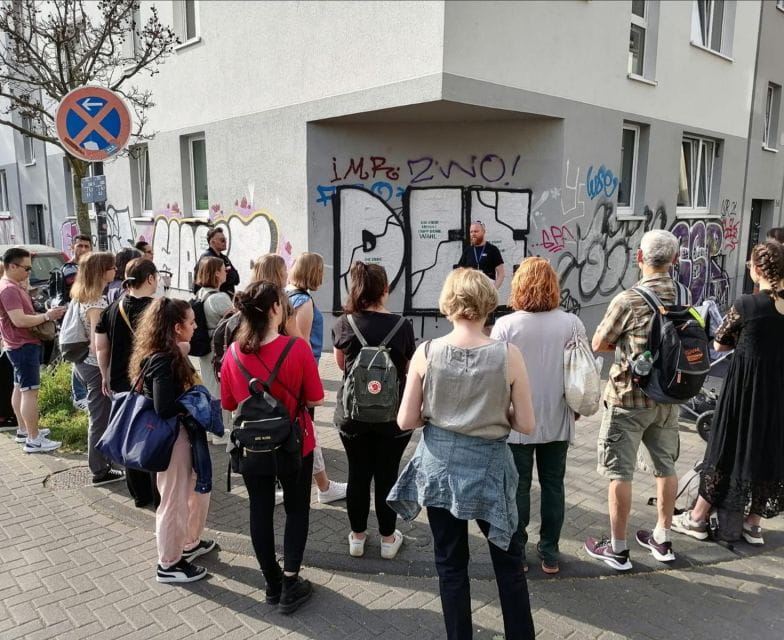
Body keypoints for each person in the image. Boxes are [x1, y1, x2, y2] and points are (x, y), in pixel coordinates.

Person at [389, 268, 536, 640]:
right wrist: (497, 413)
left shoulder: (426, 352)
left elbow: (405, 420)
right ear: (488, 303)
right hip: (490, 468)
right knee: (508, 561)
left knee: (451, 565)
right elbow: (527, 424)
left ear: (449, 303)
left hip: (440, 468)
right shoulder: (509, 355)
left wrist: (436, 414)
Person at [585, 230, 688, 571]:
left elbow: (599, 343)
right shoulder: (686, 294)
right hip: (669, 398)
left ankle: (617, 549)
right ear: (674, 260)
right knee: (666, 466)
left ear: (639, 258)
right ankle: (662, 537)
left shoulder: (628, 300)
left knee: (620, 473)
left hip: (629, 398)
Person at [220, 281, 324, 614]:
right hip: (295, 443)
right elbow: (315, 398)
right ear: (276, 309)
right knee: (297, 510)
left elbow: (229, 401)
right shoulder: (297, 349)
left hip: (253, 448)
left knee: (259, 510)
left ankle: (271, 581)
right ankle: (291, 581)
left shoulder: (232, 353)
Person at [673, 241, 784, 545]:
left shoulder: (748, 304)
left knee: (725, 448)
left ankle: (696, 518)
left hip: (745, 389)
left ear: (758, 269)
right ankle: (753, 524)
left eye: (750, 264)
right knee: (765, 451)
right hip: (777, 391)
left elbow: (720, 342)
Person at [491, 256, 585, 575]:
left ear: (519, 286)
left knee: (518, 487)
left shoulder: (506, 325)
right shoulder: (571, 323)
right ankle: (550, 553)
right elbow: (582, 372)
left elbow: (494, 375)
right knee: (553, 486)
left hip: (517, 419)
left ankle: (517, 553)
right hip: (559, 417)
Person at [332, 262, 415, 559]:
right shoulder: (402, 326)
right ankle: (388, 539)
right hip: (393, 417)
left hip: (353, 417)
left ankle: (357, 537)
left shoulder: (344, 323)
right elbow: (407, 367)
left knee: (357, 474)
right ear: (385, 289)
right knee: (387, 475)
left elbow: (342, 366)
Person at [129, 298, 215, 583]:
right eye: (191, 322)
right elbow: (164, 406)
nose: (196, 326)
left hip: (178, 437)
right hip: (173, 438)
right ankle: (169, 564)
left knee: (183, 495)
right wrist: (192, 405)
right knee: (174, 501)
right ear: (177, 328)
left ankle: (186, 545)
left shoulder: (166, 353)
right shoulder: (164, 359)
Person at [96, 257, 161, 507]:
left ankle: (139, 494)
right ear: (150, 278)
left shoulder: (112, 308)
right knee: (154, 436)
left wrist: (105, 374)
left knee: (130, 436)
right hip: (151, 381)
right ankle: (158, 493)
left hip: (122, 383)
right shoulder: (158, 308)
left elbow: (101, 347)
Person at [287, 252, 347, 504]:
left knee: (302, 430)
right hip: (301, 375)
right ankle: (323, 486)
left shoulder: (288, 295)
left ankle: (319, 484)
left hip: (290, 375)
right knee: (307, 431)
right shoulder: (303, 301)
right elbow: (299, 342)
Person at [0, 248, 65, 452]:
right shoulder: (9, 289)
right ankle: (34, 439)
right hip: (23, 344)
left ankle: (23, 429)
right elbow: (19, 320)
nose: (30, 272)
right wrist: (47, 316)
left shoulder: (10, 286)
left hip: (15, 344)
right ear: (12, 266)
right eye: (27, 268)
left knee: (19, 388)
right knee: (30, 392)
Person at [70, 251, 124, 485]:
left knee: (102, 416)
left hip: (83, 364)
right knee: (100, 418)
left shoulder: (83, 296)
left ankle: (106, 462)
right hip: (95, 367)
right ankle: (99, 470)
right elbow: (96, 344)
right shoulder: (97, 303)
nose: (116, 271)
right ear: (102, 271)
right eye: (112, 267)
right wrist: (106, 374)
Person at [193, 257, 233, 445]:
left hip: (205, 347)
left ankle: (211, 429)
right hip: (217, 349)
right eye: (222, 269)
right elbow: (236, 321)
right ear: (216, 273)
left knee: (209, 386)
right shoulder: (220, 298)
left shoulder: (202, 293)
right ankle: (219, 432)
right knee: (218, 390)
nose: (226, 270)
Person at [60, 234, 93, 411]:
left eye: (87, 246)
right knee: (79, 355)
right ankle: (78, 395)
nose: (83, 250)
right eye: (80, 246)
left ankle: (82, 393)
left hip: (83, 314)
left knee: (84, 354)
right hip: (72, 315)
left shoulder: (87, 267)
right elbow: (78, 288)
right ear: (73, 247)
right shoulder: (70, 269)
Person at [456, 221, 505, 290]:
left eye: (476, 231)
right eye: (471, 232)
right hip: (471, 291)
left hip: (487, 290)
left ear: (483, 232)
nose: (473, 234)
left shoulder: (493, 249)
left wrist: (494, 289)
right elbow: (459, 271)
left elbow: (501, 273)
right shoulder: (468, 250)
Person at [193, 228, 239, 295]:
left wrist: (226, 276)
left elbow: (237, 279)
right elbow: (208, 280)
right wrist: (228, 276)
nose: (225, 242)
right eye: (222, 240)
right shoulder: (207, 258)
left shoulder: (225, 258)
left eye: (225, 239)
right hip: (214, 299)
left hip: (224, 298)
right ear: (212, 242)